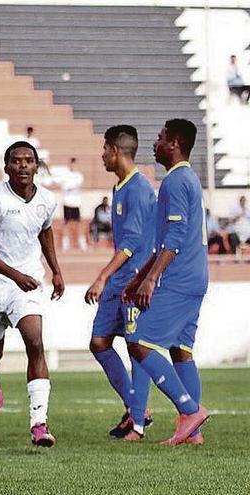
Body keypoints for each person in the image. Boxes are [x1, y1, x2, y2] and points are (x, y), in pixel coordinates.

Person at [0, 141, 64, 447]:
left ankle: (39, 423)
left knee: (35, 341)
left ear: (37, 166)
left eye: (29, 160)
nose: (23, 165)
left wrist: (55, 270)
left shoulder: (47, 200)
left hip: (27, 282)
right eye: (16, 161)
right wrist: (15, 276)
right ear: (6, 167)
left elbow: (45, 230)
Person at [123, 119, 210, 446]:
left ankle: (189, 410)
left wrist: (151, 280)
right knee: (181, 350)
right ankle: (193, 433)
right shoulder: (187, 179)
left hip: (178, 277)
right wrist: (141, 276)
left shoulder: (175, 181)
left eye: (160, 138)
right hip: (196, 275)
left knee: (139, 342)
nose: (155, 143)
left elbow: (173, 239)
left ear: (173, 143)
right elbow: (165, 240)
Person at [83, 125, 156, 440]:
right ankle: (136, 408)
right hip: (120, 280)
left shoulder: (139, 188)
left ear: (115, 150)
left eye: (104, 149)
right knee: (99, 343)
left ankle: (138, 418)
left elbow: (131, 244)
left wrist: (102, 276)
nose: (101, 155)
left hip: (134, 281)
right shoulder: (119, 187)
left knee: (135, 346)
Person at [60, 157, 87, 251]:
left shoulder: (79, 175)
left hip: (76, 203)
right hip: (67, 202)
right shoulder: (65, 175)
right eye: (71, 163)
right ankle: (65, 243)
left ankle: (82, 243)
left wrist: (70, 186)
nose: (73, 165)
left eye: (74, 164)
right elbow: (64, 186)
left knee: (79, 223)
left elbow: (77, 184)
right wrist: (70, 186)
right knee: (66, 223)